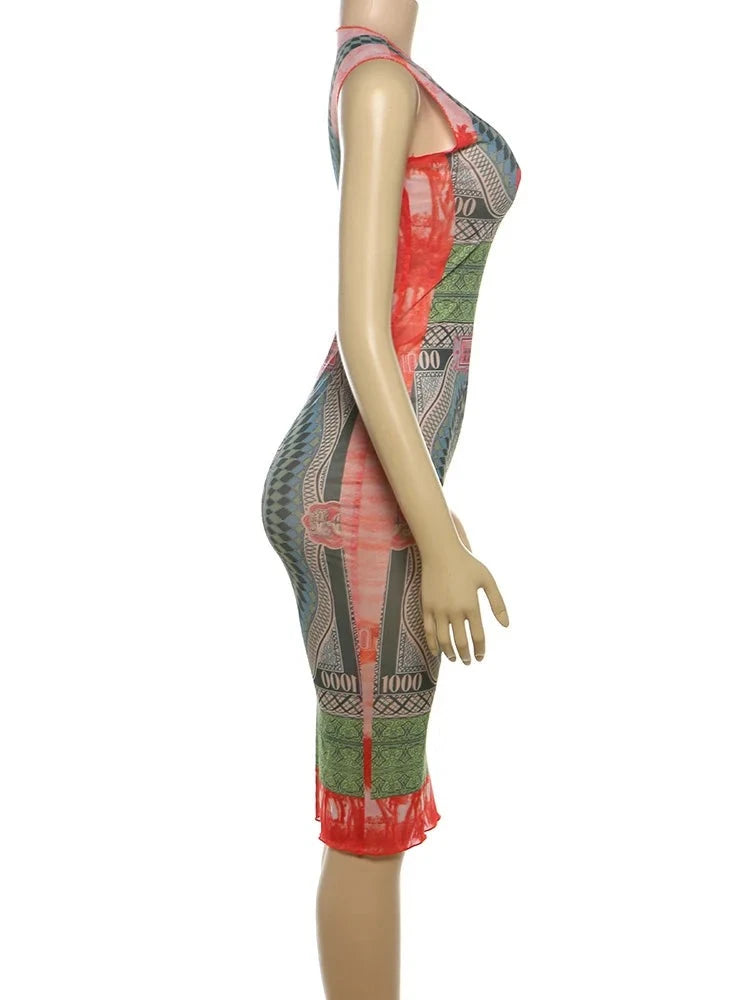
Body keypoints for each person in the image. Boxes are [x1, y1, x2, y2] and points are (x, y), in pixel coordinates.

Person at [260, 3, 522, 996]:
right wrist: (434, 541)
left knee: (378, 801)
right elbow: (366, 334)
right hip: (358, 499)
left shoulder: (376, 73)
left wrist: (435, 513)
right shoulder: (376, 84)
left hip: (384, 486)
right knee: (370, 811)